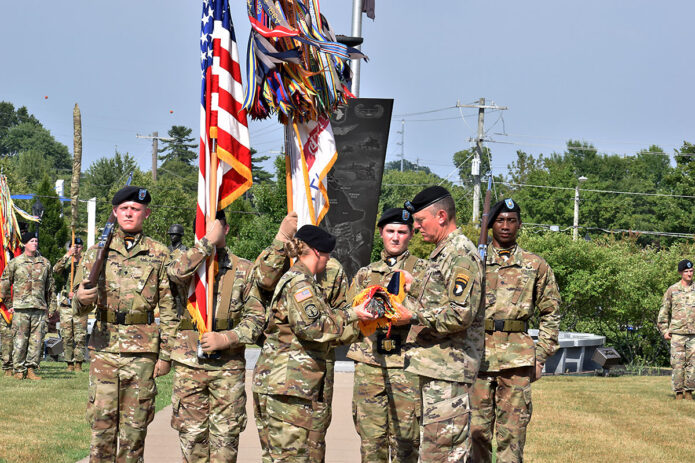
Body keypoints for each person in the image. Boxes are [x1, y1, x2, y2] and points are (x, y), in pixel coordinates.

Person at [252, 225, 375, 462]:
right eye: (327, 255)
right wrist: (354, 314)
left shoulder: (300, 279)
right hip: (288, 387)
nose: (328, 261)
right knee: (291, 457)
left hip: (283, 384)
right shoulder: (301, 283)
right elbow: (313, 327)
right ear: (318, 252)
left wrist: (360, 324)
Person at [73, 186, 176, 462]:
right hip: (104, 352)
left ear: (146, 213)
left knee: (134, 435)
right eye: (125, 208)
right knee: (101, 431)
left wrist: (165, 355)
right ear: (115, 212)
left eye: (136, 209)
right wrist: (81, 298)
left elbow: (168, 309)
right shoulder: (96, 252)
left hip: (142, 356)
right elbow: (77, 306)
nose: (130, 213)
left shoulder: (160, 253)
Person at [166, 210, 265, 463]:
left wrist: (228, 338)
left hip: (227, 368)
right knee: (191, 439)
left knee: (225, 440)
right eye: (207, 227)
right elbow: (175, 273)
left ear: (227, 229)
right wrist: (206, 243)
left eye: (217, 226)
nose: (213, 230)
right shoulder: (185, 262)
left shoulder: (244, 268)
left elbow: (256, 319)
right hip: (190, 365)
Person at [470, 199, 561, 463]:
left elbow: (551, 312)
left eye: (511, 220)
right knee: (476, 431)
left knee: (513, 434)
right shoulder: (475, 260)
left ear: (519, 224)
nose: (506, 226)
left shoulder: (535, 265)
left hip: (518, 360)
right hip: (479, 357)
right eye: (500, 220)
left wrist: (541, 356)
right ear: (490, 224)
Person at [401, 186, 485, 462]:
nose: (416, 228)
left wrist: (413, 316)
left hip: (449, 373)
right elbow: (441, 300)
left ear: (440, 216)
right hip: (438, 370)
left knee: (441, 454)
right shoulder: (444, 252)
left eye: (420, 221)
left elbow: (461, 314)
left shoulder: (460, 254)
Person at [346, 207, 427, 463]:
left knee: (407, 443)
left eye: (402, 232)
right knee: (371, 444)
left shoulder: (424, 272)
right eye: (390, 231)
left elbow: (434, 314)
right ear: (381, 233)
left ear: (411, 234)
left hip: (407, 365)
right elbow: (349, 316)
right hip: (370, 364)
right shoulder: (364, 274)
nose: (395, 237)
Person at [0, 231, 56, 380]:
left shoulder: (45, 263)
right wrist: (9, 304)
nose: (35, 243)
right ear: (25, 244)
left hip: (39, 308)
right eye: (31, 241)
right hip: (21, 308)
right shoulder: (15, 263)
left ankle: (31, 369)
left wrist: (51, 307)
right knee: (19, 340)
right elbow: (4, 283)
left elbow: (50, 287)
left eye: (36, 241)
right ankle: (18, 370)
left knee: (36, 341)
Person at [657, 259, 695, 400]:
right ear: (680, 273)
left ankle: (689, 392)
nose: (689, 274)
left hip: (693, 334)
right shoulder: (672, 290)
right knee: (677, 364)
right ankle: (679, 393)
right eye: (686, 271)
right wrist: (664, 330)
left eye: (691, 271)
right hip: (677, 334)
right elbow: (664, 311)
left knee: (693, 365)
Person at [53, 237, 88, 372]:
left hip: (80, 303)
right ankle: (69, 363)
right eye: (74, 246)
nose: (76, 249)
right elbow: (56, 269)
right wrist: (68, 255)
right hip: (66, 304)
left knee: (80, 335)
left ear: (82, 248)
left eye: (79, 246)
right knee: (67, 335)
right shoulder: (67, 262)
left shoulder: (86, 262)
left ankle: (78, 362)